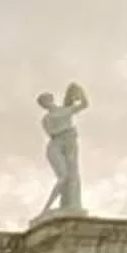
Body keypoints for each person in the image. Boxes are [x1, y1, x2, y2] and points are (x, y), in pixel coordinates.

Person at [38, 83, 90, 219]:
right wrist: (68, 129)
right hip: (56, 145)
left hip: (70, 142)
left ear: (51, 99)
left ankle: (70, 204)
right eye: (43, 102)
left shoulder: (65, 110)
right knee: (63, 176)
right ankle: (45, 209)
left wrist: (80, 92)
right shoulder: (46, 119)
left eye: (46, 99)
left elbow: (84, 104)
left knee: (73, 175)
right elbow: (52, 132)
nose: (46, 103)